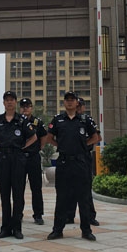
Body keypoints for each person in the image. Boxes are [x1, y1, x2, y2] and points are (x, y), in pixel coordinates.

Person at [46, 91, 99, 241]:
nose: (70, 102)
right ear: (64, 102)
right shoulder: (58, 119)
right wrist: (60, 145)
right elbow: (49, 138)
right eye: (67, 100)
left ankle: (86, 230)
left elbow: (95, 137)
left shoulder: (84, 119)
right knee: (62, 197)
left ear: (77, 103)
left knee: (83, 197)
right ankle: (57, 230)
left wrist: (83, 146)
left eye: (72, 100)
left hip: (80, 162)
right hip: (64, 163)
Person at [0, 91, 37, 239]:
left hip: (18, 159)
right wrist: (2, 145)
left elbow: (33, 137)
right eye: (7, 100)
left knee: (18, 194)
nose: (9, 102)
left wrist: (22, 147)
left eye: (12, 100)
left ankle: (17, 228)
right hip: (3, 158)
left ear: (15, 102)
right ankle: (5, 228)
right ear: (3, 103)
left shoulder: (22, 120)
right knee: (4, 195)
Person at [66, 97, 101, 226]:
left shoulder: (87, 120)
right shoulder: (68, 120)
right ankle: (69, 216)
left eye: (80, 106)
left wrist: (84, 144)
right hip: (70, 158)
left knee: (85, 188)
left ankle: (90, 216)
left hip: (84, 157)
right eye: (77, 106)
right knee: (70, 188)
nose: (78, 108)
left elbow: (98, 137)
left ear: (84, 107)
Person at [19, 98, 47, 225]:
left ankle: (38, 215)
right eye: (23, 106)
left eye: (28, 106)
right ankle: (18, 214)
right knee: (19, 188)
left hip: (33, 157)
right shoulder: (16, 121)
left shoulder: (37, 122)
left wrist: (38, 148)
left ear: (31, 108)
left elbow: (44, 137)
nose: (25, 108)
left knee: (36, 188)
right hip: (19, 158)